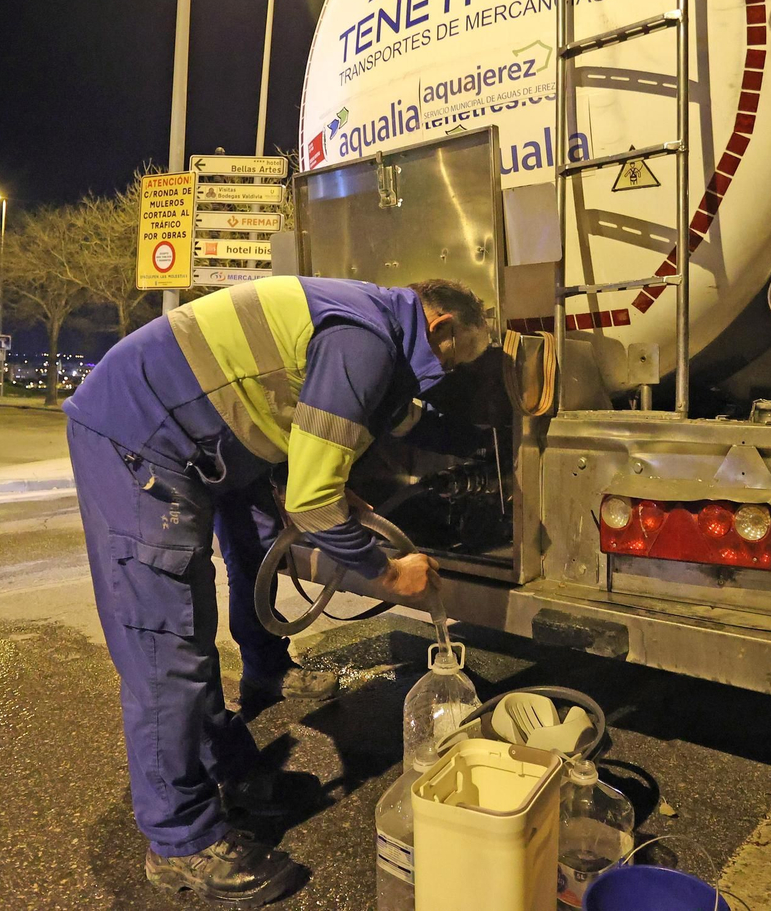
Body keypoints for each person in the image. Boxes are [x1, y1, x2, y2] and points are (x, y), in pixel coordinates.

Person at [63, 275, 492, 905]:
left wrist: (336, 490)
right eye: (455, 359)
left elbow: (299, 437)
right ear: (443, 328)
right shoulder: (368, 341)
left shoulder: (364, 315)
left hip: (194, 442)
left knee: (187, 637)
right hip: (138, 439)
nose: (446, 374)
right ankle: (182, 844)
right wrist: (394, 576)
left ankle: (226, 773)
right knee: (166, 646)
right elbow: (313, 506)